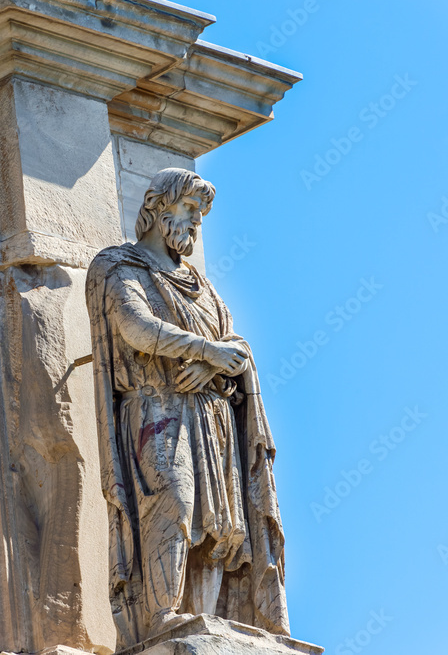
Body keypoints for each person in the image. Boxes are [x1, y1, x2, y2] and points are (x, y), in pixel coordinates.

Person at [85, 169, 289, 646]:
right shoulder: (119, 268)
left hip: (210, 413)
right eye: (190, 210)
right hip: (155, 409)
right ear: (157, 207)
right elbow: (136, 327)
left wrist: (215, 366)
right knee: (173, 502)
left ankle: (205, 617)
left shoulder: (200, 284)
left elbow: (231, 340)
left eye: (200, 215)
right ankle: (160, 617)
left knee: (220, 524)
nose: (197, 224)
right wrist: (206, 352)